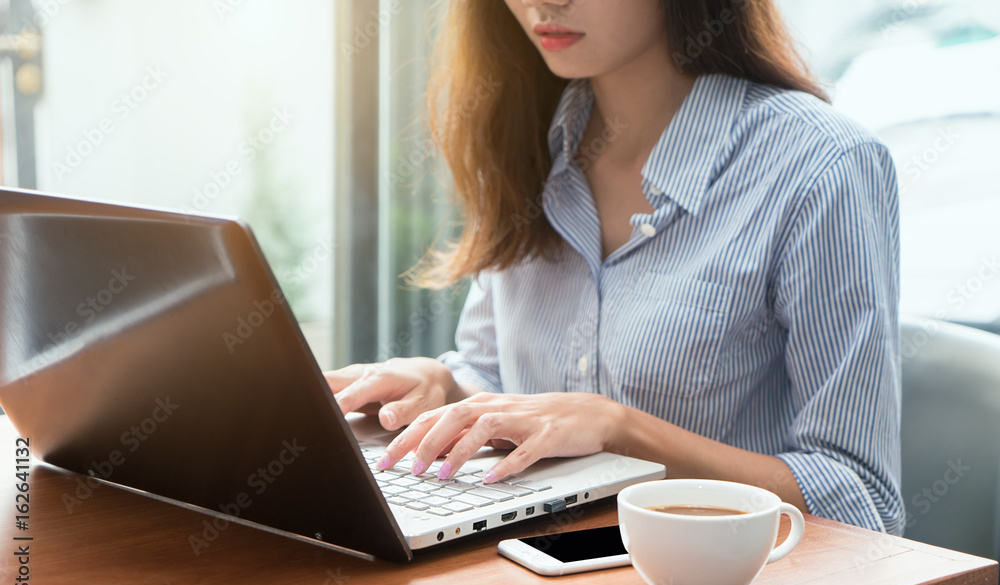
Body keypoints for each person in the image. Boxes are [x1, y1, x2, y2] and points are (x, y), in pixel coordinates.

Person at [326, 0, 904, 535]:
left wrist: (620, 428)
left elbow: (860, 498)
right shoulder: (525, 137)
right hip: (541, 572)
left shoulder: (821, 165)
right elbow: (498, 377)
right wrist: (445, 384)